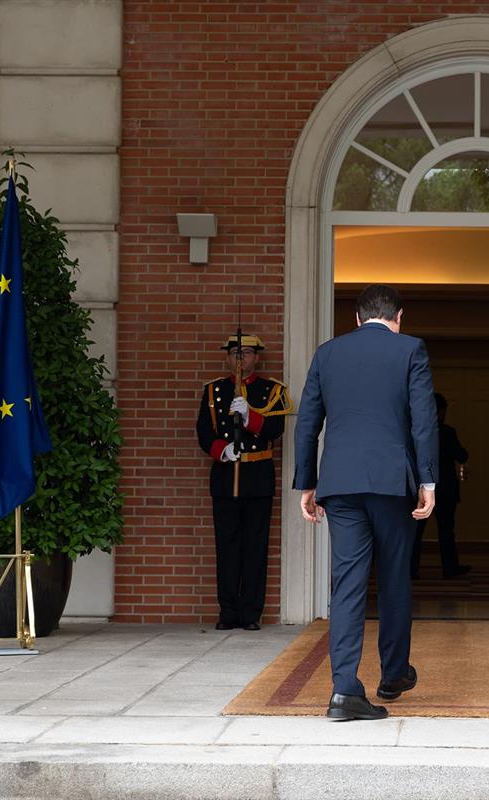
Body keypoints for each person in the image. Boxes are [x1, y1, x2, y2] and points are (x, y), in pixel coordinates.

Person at [293, 284, 439, 722]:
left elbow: (307, 422)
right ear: (399, 317)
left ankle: (343, 692)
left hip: (339, 482)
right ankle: (393, 675)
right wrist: (428, 481)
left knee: (348, 584)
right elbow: (423, 420)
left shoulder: (328, 353)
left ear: (356, 319)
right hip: (392, 482)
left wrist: (307, 482)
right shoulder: (410, 350)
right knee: (394, 577)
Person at [196, 333, 293, 632]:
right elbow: (203, 432)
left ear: (257, 357)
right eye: (236, 353)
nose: (241, 359)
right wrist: (221, 450)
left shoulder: (270, 390)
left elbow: (276, 428)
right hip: (226, 477)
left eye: (247, 352)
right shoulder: (214, 391)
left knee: (255, 547)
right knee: (227, 547)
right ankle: (228, 611)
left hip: (257, 478)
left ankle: (251, 612)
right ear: (227, 357)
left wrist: (250, 416)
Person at [411, 392, 471, 580]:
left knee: (416, 532)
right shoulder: (447, 432)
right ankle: (450, 567)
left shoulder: (416, 432)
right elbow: (462, 456)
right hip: (445, 489)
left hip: (420, 487)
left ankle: (411, 569)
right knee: (446, 531)